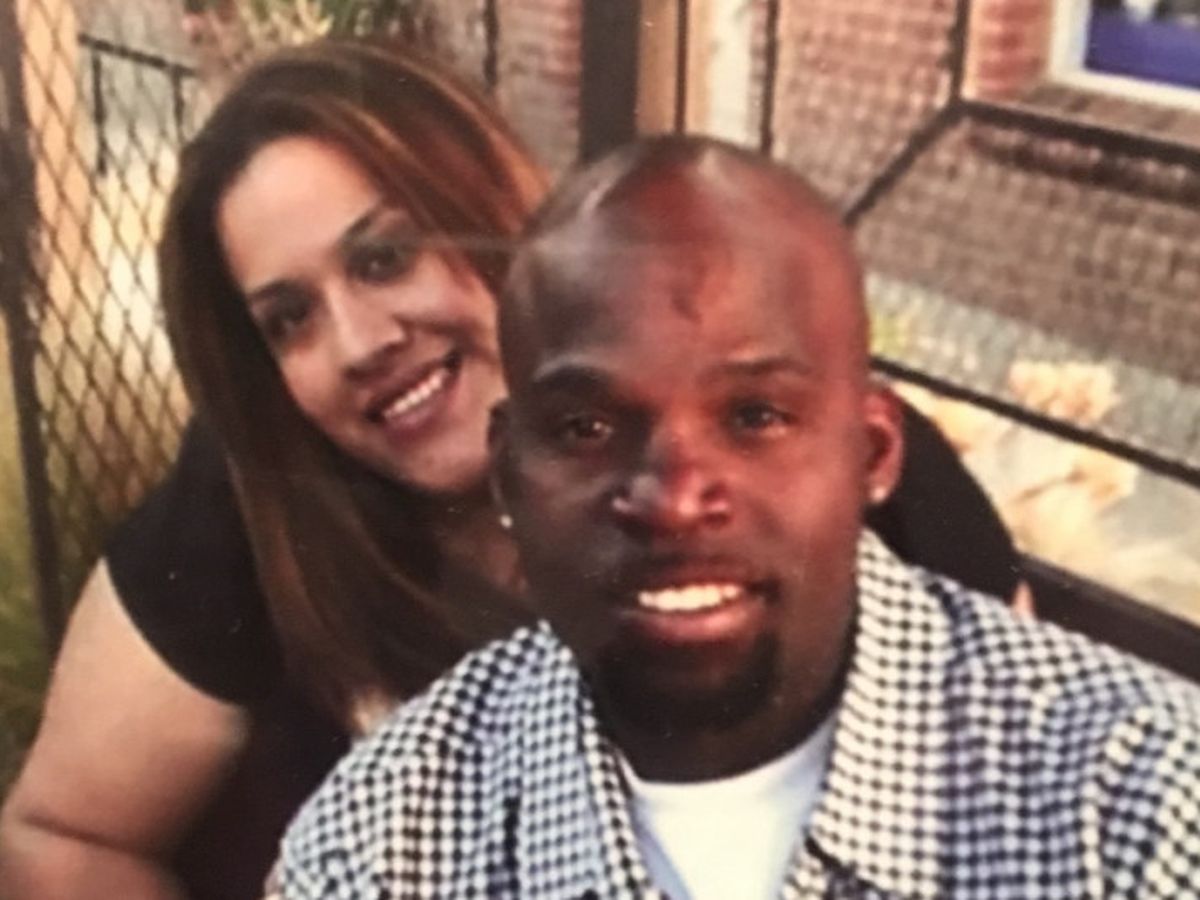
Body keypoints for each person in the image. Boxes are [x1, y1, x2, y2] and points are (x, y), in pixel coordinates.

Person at [0, 41, 1018, 899]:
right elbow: (64, 836)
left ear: (497, 212)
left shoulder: (839, 472)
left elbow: (1005, 779)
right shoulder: (262, 502)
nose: (358, 342)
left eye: (385, 257)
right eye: (290, 319)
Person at [278, 136, 1200, 899]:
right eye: (586, 426)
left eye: (756, 416)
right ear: (511, 475)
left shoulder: (1140, 806)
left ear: (874, 453)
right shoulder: (385, 846)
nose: (674, 498)